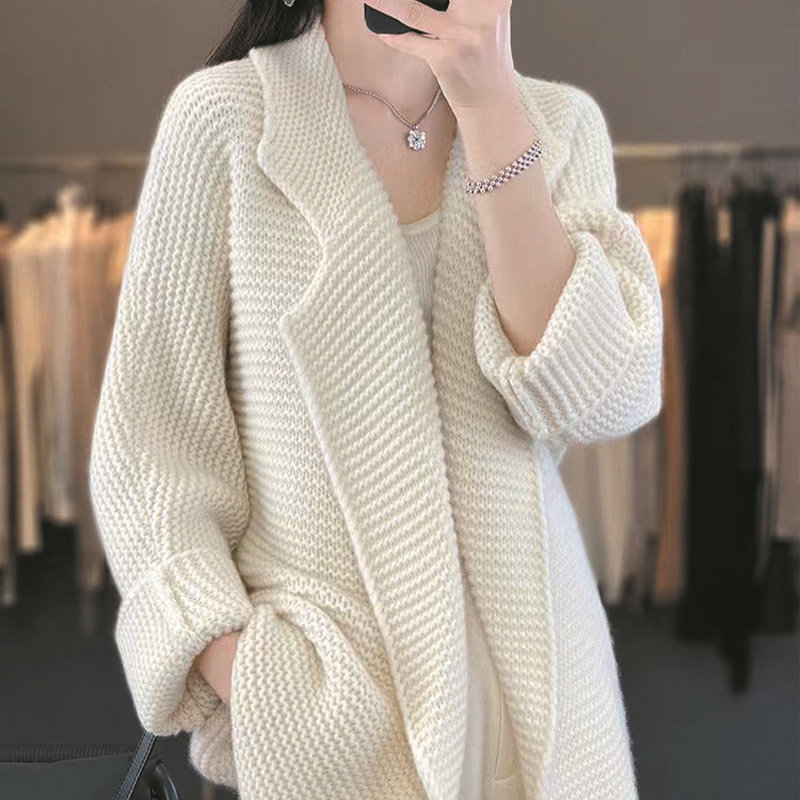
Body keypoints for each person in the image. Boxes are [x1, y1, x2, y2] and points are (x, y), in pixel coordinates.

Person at [88, 1, 663, 799]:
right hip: (339, 729)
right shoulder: (225, 119)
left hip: (545, 720)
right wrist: (258, 678)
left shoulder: (556, 125)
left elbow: (606, 395)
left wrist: (492, 109)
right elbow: (149, 446)